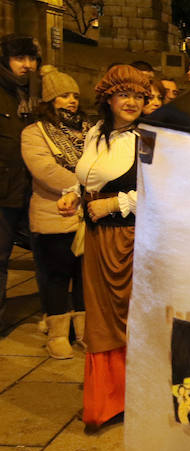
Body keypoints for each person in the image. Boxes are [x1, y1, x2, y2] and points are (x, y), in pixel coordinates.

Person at [57, 65, 150, 432]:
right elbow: (89, 177)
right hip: (96, 238)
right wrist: (73, 196)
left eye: (139, 96)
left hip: (127, 239)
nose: (132, 102)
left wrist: (113, 205)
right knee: (101, 319)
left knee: (127, 317)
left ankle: (136, 398)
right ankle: (107, 399)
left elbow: (165, 191)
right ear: (108, 98)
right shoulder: (96, 132)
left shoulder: (148, 138)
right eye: (124, 94)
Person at [21, 65, 91, 359]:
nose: (72, 100)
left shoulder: (88, 130)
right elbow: (45, 170)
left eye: (74, 95)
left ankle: (85, 331)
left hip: (84, 216)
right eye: (64, 95)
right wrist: (84, 185)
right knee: (57, 275)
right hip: (54, 213)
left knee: (84, 276)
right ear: (50, 100)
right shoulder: (34, 133)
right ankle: (58, 334)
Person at [0, 34, 40, 324]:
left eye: (31, 58)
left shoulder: (32, 92)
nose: (27, 65)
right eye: (19, 58)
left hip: (27, 189)